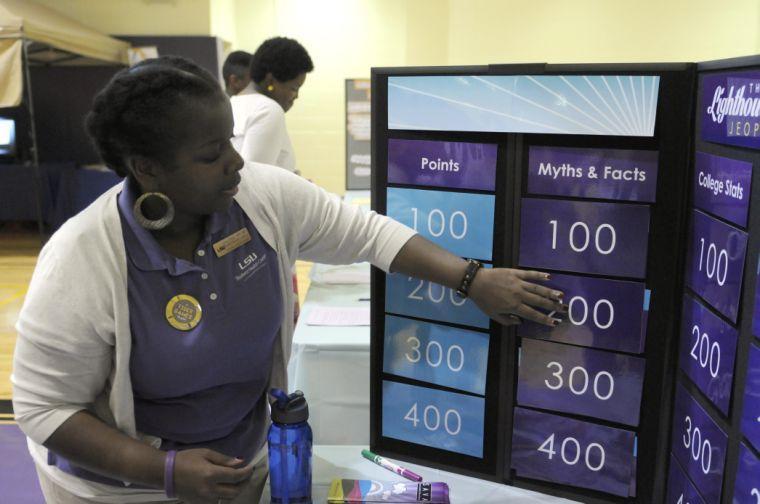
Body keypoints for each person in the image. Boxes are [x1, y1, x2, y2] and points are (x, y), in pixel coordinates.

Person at [12, 56, 566, 504]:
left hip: (242, 465)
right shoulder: (82, 257)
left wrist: (470, 278)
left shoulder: (262, 197)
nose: (235, 162)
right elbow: (44, 410)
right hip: (122, 488)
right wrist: (166, 470)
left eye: (231, 141)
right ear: (147, 168)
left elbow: (367, 234)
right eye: (212, 155)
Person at [230, 37, 313, 175]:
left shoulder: (232, 102)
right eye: (294, 88)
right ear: (270, 81)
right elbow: (253, 180)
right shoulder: (268, 110)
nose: (296, 96)